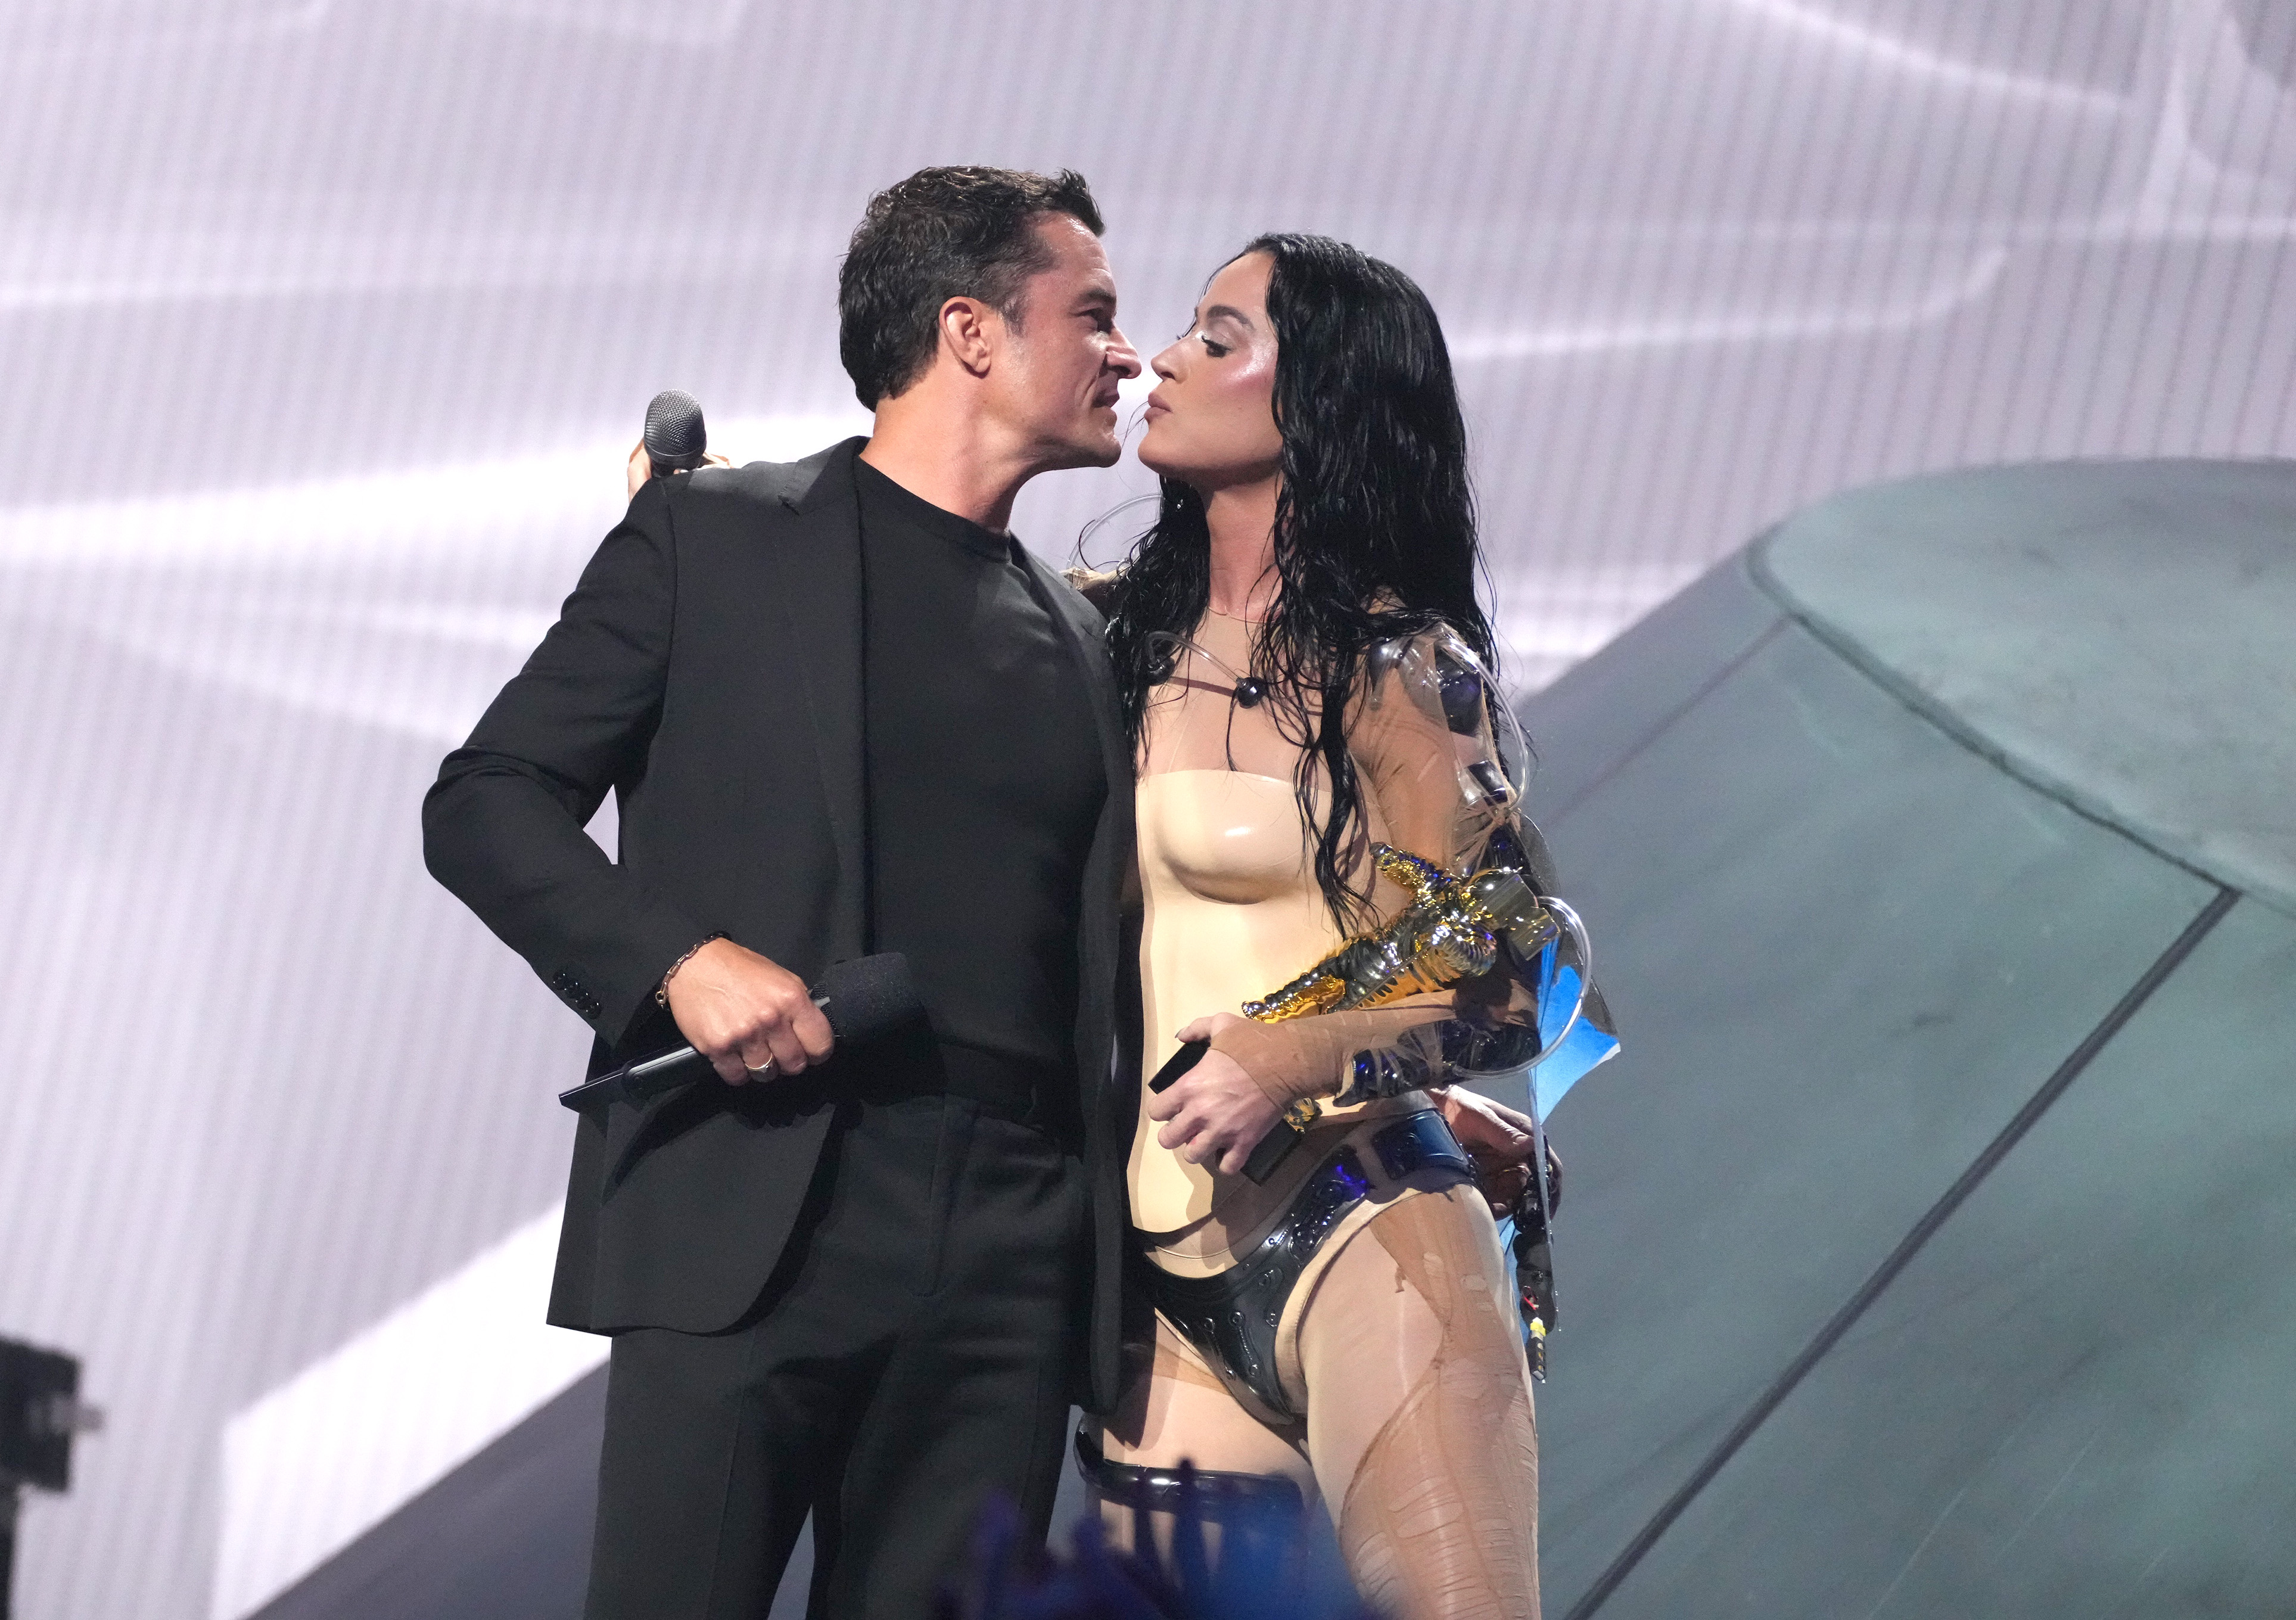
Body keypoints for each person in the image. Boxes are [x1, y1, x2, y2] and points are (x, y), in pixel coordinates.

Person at [422, 166, 1148, 1620]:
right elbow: (486, 802)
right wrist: (677, 958)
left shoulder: (1084, 637)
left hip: (1013, 1247)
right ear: (972, 331)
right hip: (761, 1196)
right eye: (1097, 314)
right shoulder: (713, 540)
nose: (1127, 355)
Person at [1077, 235, 1611, 1620]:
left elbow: (1515, 969)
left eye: (1216, 332)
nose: (1165, 360)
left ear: (1312, 400)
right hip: (1160, 1292)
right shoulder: (1102, 641)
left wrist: (1290, 1051)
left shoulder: (1397, 667)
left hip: (1362, 1228)